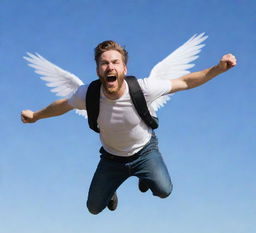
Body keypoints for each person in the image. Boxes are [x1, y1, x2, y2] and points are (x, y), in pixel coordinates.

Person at [21, 40, 237, 215]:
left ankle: (145, 176)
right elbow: (63, 105)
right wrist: (36, 116)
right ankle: (111, 190)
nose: (110, 67)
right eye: (104, 63)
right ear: (98, 70)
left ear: (124, 68)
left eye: (115, 62)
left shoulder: (143, 88)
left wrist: (218, 69)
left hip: (144, 152)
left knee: (164, 190)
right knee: (94, 208)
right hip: (111, 159)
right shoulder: (88, 94)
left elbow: (185, 82)